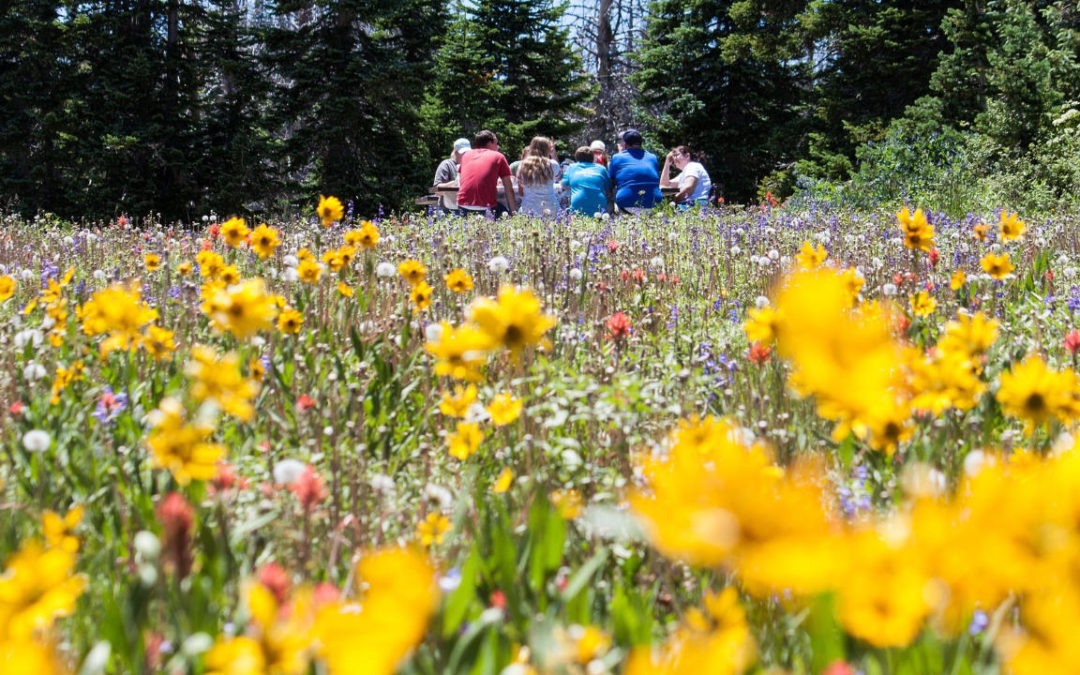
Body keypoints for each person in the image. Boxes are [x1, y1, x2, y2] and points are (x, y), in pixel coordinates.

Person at [457, 130, 516, 215]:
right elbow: (508, 188)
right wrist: (513, 212)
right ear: (489, 144)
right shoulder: (498, 156)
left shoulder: (466, 155)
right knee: (505, 215)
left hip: (462, 205)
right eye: (496, 143)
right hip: (486, 206)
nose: (498, 147)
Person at [608, 129, 662, 212]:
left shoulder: (617, 157)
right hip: (655, 203)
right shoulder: (652, 157)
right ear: (641, 143)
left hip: (627, 204)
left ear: (625, 144)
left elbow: (610, 183)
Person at [515, 136, 560, 216]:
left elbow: (521, 192)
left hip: (529, 207)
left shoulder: (522, 165)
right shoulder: (552, 164)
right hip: (550, 206)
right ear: (547, 149)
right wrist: (553, 154)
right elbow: (558, 175)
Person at [561, 146, 611, 217]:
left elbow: (564, 185)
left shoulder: (571, 167)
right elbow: (608, 188)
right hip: (599, 205)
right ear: (592, 157)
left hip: (578, 204)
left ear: (577, 157)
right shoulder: (601, 168)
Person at [432, 138, 471, 212]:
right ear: (456, 152)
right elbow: (436, 189)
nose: (466, 155)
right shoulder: (446, 165)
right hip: (447, 209)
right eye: (463, 153)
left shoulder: (471, 166)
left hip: (467, 208)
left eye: (468, 153)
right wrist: (455, 182)